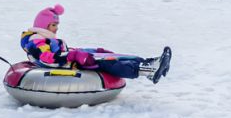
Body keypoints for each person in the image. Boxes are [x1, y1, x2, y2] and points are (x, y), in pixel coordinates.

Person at [20, 5, 170, 84]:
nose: (57, 28)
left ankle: (151, 62)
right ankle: (146, 70)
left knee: (109, 55)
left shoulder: (48, 38)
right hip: (70, 66)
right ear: (44, 25)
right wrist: (74, 55)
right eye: (53, 24)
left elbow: (64, 52)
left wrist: (91, 50)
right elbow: (48, 58)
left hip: (71, 60)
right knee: (108, 63)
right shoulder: (37, 40)